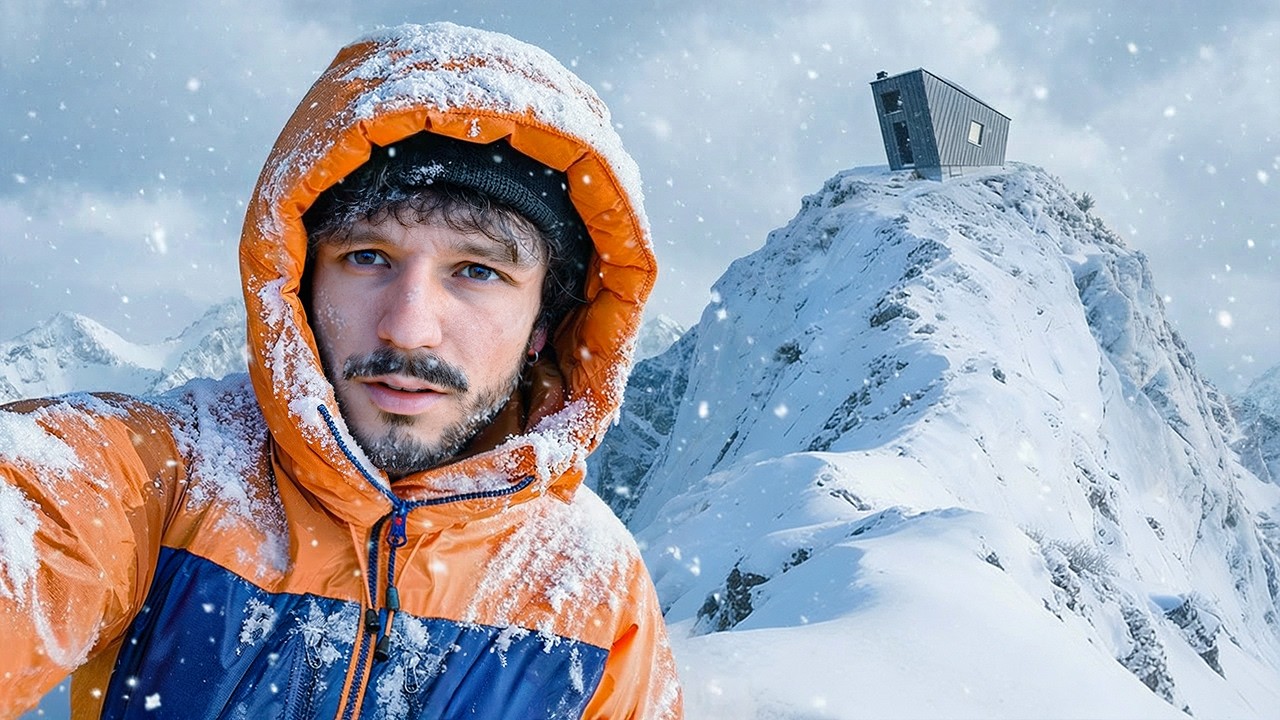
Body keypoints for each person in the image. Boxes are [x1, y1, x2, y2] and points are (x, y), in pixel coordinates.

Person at [0, 22, 682, 719]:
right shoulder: (152, 479)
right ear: (299, 283)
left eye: (477, 271)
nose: (408, 325)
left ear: (544, 324)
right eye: (367, 257)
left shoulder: (594, 593)